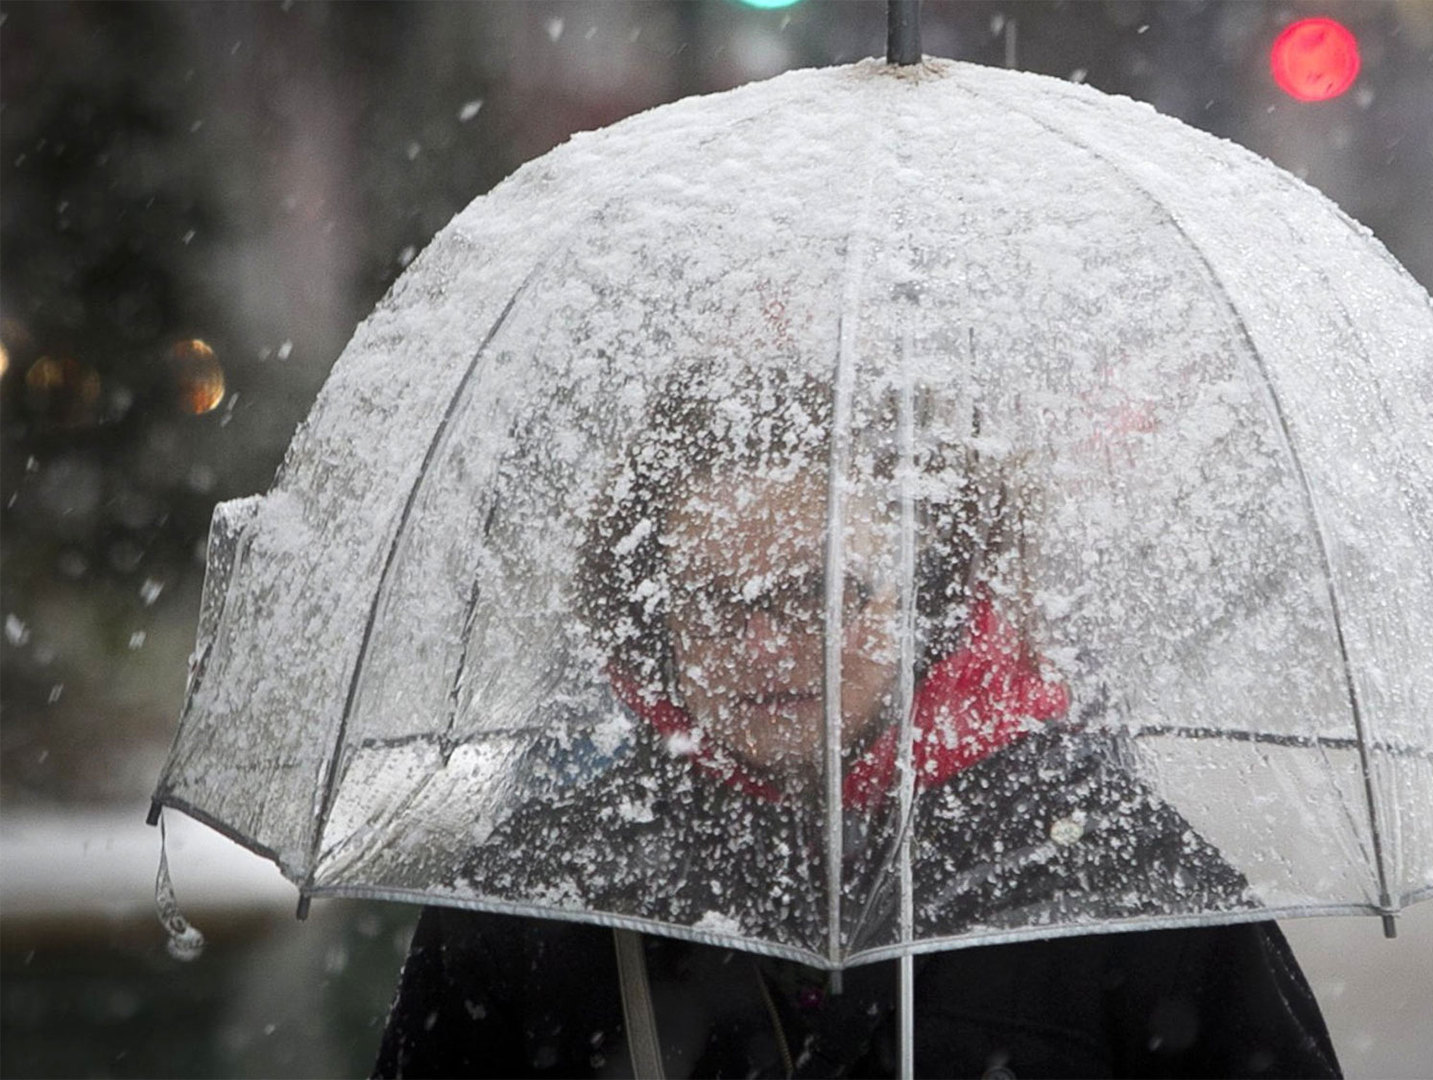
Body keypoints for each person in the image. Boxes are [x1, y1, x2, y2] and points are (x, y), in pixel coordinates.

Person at [373, 367, 1342, 1079]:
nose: (762, 646)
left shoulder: (1116, 884)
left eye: (818, 594)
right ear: (650, 615)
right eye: (712, 603)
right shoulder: (539, 899)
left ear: (931, 596)